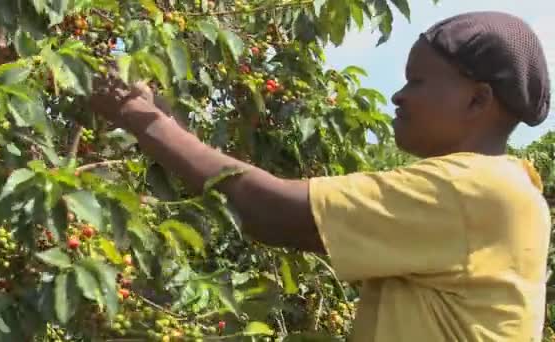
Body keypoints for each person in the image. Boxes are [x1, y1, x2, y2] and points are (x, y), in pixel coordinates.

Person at [88, 11, 552, 342]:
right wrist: (169, 126)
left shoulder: (474, 190)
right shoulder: (501, 189)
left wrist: (140, 118)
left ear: (477, 100)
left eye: (417, 81)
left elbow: (270, 211)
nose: (399, 94)